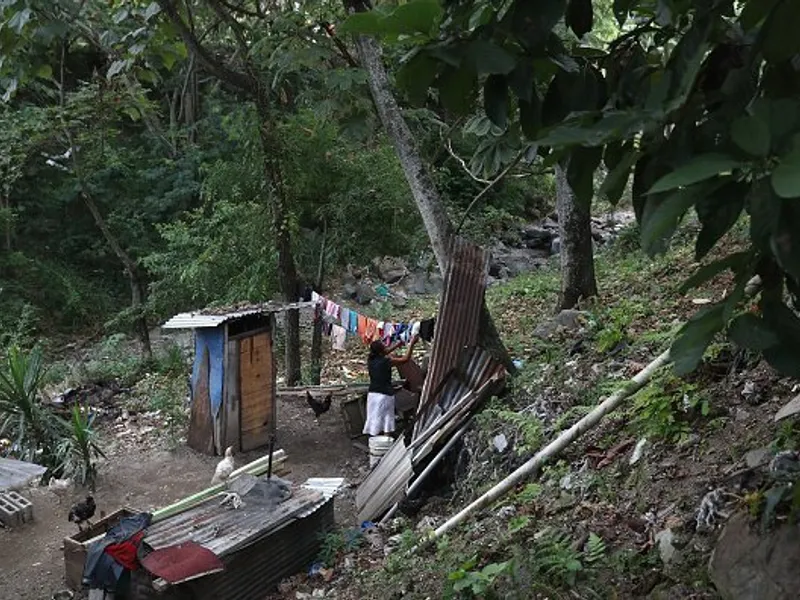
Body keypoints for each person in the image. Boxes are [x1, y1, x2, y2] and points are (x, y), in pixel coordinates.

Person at [363, 336, 419, 437]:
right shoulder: (386, 362)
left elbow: (384, 352)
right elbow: (405, 359)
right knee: (387, 420)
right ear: (381, 351)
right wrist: (412, 344)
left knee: (374, 418)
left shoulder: (371, 360)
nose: (386, 347)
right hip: (385, 395)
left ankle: (374, 441)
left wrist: (397, 345)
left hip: (372, 394)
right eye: (384, 346)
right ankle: (385, 440)